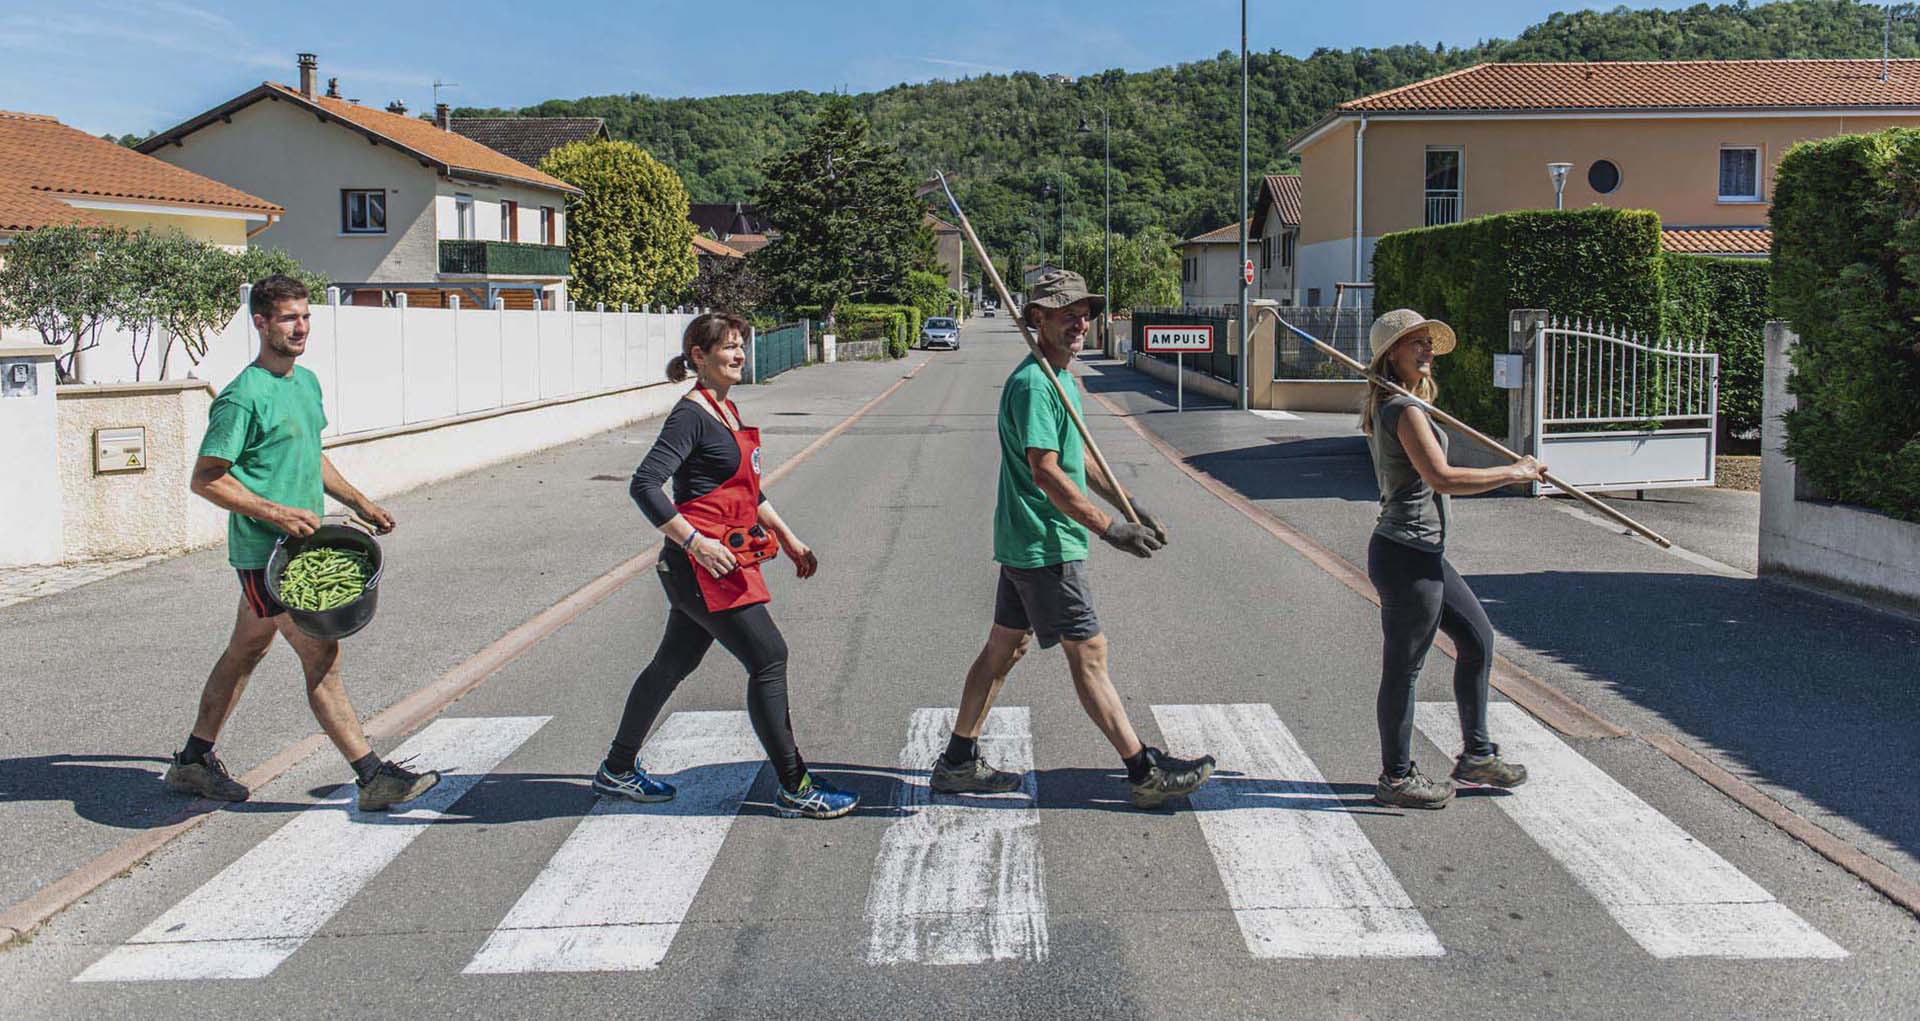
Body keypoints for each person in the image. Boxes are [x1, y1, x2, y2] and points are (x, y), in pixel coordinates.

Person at [930, 269, 1216, 810]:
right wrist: (1110, 530)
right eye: (1066, 312)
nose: (1080, 321)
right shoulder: (1037, 383)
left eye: (1084, 311)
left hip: (1027, 540)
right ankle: (1142, 770)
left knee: (1003, 649)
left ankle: (957, 761)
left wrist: (1130, 504)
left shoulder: (1058, 377)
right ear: (1036, 319)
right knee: (1088, 652)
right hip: (1046, 542)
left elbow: (1076, 459)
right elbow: (1046, 472)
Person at [167, 274, 439, 812]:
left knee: (245, 651)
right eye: (289, 318)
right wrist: (272, 511)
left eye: (306, 317)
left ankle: (193, 762)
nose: (300, 327)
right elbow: (207, 478)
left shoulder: (305, 382)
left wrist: (358, 502)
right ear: (261, 322)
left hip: (305, 546)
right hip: (268, 558)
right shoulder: (241, 399)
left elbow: (309, 454)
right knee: (323, 655)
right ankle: (372, 776)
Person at [600, 312, 858, 820]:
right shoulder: (691, 414)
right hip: (703, 566)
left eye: (741, 346)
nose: (739, 355)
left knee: (673, 664)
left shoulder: (726, 409)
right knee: (769, 657)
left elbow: (746, 490)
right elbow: (645, 485)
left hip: (721, 559)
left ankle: (617, 768)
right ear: (699, 355)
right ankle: (794, 784)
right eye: (728, 348)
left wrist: (788, 537)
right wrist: (695, 543)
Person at [1360, 308, 1542, 809]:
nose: (1427, 350)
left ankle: (1477, 754)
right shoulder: (1401, 409)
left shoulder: (1404, 405)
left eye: (1428, 343)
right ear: (1390, 355)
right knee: (1404, 668)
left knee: (1478, 638)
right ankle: (1396, 777)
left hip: (1423, 553)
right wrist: (1513, 471)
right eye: (1415, 343)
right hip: (1406, 554)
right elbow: (1442, 478)